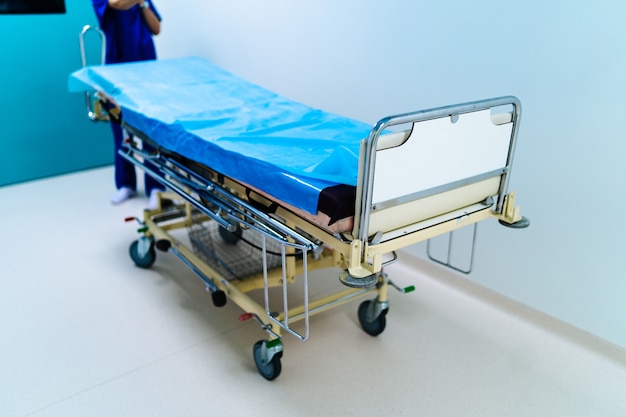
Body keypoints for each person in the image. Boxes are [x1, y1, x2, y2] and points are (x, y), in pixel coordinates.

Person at [91, 0, 165, 208]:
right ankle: (126, 184)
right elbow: (117, 4)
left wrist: (142, 4)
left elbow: (156, 28)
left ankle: (156, 186)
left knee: (150, 128)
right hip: (117, 66)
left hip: (145, 64)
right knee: (120, 128)